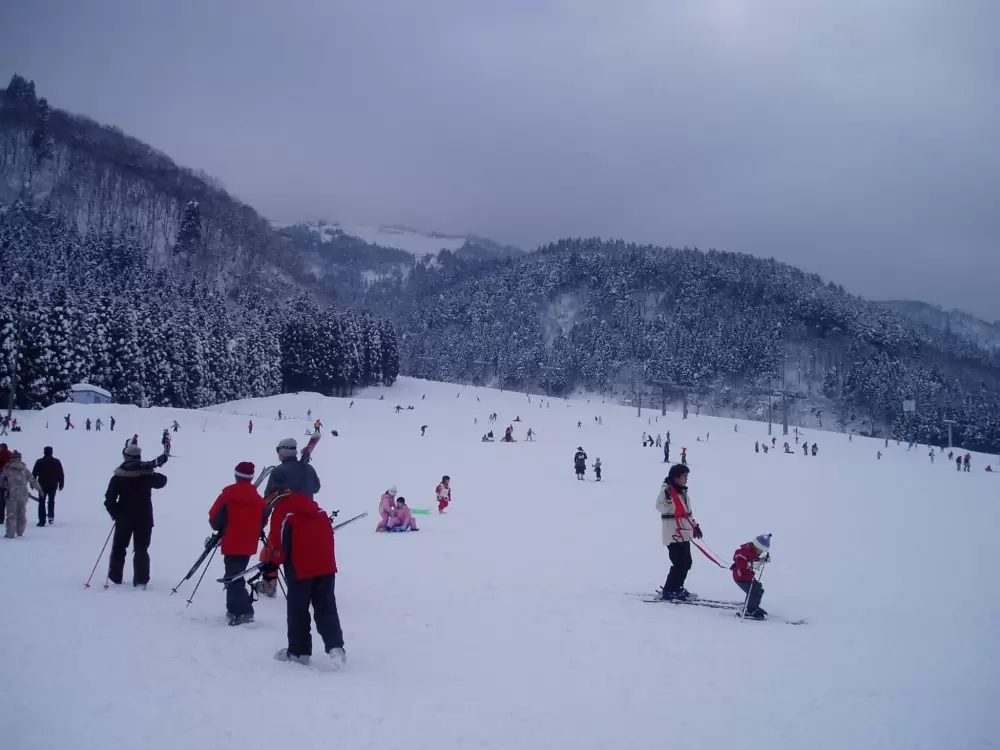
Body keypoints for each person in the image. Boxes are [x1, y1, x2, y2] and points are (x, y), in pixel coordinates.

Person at [263, 488, 345, 668]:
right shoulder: (319, 512)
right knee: (326, 607)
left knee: (298, 610)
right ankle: (336, 647)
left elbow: (278, 544)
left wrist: (270, 564)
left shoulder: (284, 514)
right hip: (326, 567)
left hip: (300, 569)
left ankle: (299, 652)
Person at [257, 438, 321, 596]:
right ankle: (309, 586)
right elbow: (316, 487)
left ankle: (269, 585)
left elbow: (268, 498)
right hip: (309, 517)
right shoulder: (308, 468)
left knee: (272, 551)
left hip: (284, 520)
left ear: (283, 451)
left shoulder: (279, 471)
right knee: (306, 553)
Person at [209, 462, 267, 626]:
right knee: (236, 574)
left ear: (236, 476)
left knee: (233, 577)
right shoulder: (257, 499)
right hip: (248, 543)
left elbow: (214, 517)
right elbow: (265, 515)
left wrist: (222, 528)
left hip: (231, 541)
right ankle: (238, 610)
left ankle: (240, 611)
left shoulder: (227, 495)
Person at [104, 444, 168, 588]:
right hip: (144, 518)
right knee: (141, 549)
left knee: (119, 548)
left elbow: (109, 500)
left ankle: (115, 577)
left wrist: (116, 514)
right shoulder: (145, 475)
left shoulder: (118, 476)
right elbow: (163, 481)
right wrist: (149, 470)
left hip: (124, 518)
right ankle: (141, 580)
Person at [655, 464, 702, 600]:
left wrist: (695, 525)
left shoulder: (682, 491)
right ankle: (670, 590)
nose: (686, 479)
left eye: (687, 476)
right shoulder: (667, 490)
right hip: (673, 533)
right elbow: (660, 506)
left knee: (686, 562)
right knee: (680, 563)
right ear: (675, 477)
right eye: (684, 476)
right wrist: (668, 497)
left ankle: (677, 587)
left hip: (684, 532)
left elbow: (687, 512)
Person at [2, 451, 42, 538]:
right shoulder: (24, 469)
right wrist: (39, 489)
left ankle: (10, 533)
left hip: (11, 495)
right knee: (21, 513)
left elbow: (1, 482)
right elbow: (33, 480)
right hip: (23, 495)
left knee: (11, 514)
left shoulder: (7, 469)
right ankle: (20, 531)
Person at [732, 534, 771, 620]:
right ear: (756, 546)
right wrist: (750, 564)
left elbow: (754, 560)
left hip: (748, 576)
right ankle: (749, 610)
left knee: (759, 589)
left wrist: (762, 560)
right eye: (760, 551)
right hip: (740, 577)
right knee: (753, 591)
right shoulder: (744, 551)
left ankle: (754, 607)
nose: (761, 553)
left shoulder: (753, 552)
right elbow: (738, 557)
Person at [32, 446, 65, 526]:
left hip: (41, 485)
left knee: (41, 502)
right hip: (53, 485)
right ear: (52, 452)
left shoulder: (39, 461)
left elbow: (34, 473)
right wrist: (61, 484)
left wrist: (32, 483)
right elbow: (61, 473)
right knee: (51, 501)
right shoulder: (56, 462)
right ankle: (50, 516)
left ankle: (42, 520)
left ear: (44, 452)